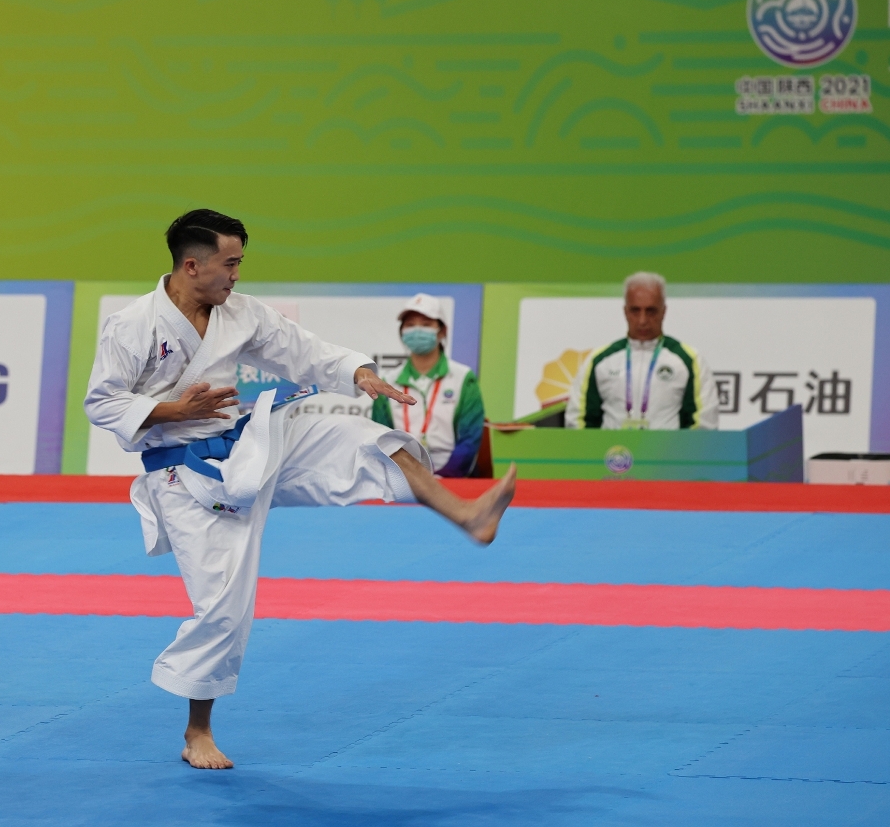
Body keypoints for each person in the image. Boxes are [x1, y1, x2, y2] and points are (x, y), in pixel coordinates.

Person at [85, 209, 517, 770]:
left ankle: (466, 513)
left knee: (363, 438)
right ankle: (197, 732)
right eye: (229, 264)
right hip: (185, 476)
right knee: (223, 607)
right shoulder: (132, 325)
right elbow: (102, 402)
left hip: (246, 443)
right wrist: (175, 410)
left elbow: (301, 349)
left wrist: (358, 373)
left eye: (240, 263)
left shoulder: (239, 312)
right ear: (192, 266)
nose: (236, 275)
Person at [565, 272, 718, 430]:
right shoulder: (600, 360)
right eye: (635, 310)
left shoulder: (689, 360)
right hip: (613, 447)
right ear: (625, 312)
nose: (642, 320)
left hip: (668, 446)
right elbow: (579, 421)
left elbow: (703, 424)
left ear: (663, 311)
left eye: (651, 311)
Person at [371, 293, 486, 476]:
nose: (417, 331)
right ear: (401, 332)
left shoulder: (463, 378)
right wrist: (402, 478)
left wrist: (443, 478)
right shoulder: (387, 382)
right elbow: (380, 438)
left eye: (426, 324)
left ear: (442, 331)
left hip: (452, 478)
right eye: (410, 325)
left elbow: (469, 439)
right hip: (401, 476)